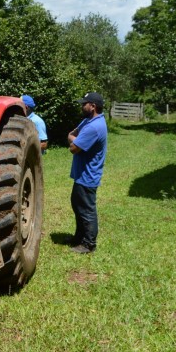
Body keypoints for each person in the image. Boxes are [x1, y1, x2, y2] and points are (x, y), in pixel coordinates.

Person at [68, 92, 108, 254]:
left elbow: (73, 148)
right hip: (82, 175)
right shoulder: (88, 121)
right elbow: (73, 134)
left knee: (87, 210)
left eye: (84, 103)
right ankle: (79, 237)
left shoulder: (93, 127)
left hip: (88, 176)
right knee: (78, 206)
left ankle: (89, 244)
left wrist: (72, 138)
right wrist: (73, 137)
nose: (81, 106)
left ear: (93, 106)